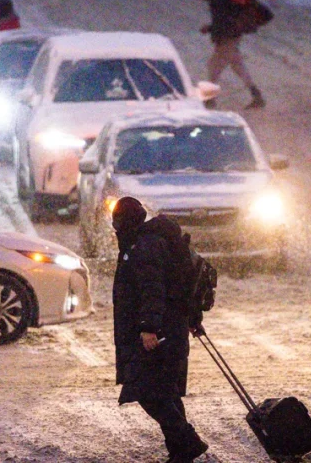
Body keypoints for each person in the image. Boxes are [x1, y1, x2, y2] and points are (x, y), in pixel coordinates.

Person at [111, 197, 209, 463]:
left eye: (116, 220)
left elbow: (153, 289)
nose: (113, 226)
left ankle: (188, 443)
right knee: (165, 392)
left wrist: (148, 328)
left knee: (149, 392)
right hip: (171, 327)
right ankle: (180, 450)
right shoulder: (150, 241)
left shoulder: (145, 246)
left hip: (160, 332)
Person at [195, 0, 265, 109]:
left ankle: (209, 100)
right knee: (238, 67)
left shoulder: (218, 0)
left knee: (214, 67)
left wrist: (211, 28)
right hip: (233, 37)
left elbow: (225, 23)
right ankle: (256, 96)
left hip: (227, 39)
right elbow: (227, 20)